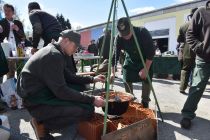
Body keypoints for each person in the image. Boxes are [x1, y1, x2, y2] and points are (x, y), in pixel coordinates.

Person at [17, 29, 105, 139]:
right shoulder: (53, 55)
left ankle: (47, 118)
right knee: (87, 110)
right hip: (36, 100)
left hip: (40, 91)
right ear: (66, 41)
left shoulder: (55, 51)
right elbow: (61, 91)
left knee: (79, 89)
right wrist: (92, 99)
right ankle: (42, 125)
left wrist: (93, 79)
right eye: (75, 46)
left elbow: (70, 77)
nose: (76, 50)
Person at [111, 17, 155, 108]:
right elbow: (115, 55)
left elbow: (151, 52)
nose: (126, 37)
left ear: (131, 27)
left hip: (145, 60)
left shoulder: (142, 32)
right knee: (126, 78)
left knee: (147, 79)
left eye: (127, 34)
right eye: (123, 35)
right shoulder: (119, 38)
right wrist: (112, 72)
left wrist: (146, 69)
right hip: (130, 59)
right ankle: (130, 98)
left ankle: (145, 101)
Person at [180, 1, 210, 129]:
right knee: (197, 86)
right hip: (204, 58)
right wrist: (201, 48)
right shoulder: (202, 12)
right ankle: (187, 114)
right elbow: (190, 34)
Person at [28, 2, 77, 73]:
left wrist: (34, 46)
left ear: (29, 9)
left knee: (49, 68)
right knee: (68, 69)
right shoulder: (45, 14)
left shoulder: (33, 13)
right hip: (63, 40)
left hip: (52, 40)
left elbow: (38, 29)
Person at [0, 3, 25, 79]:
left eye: (9, 10)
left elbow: (23, 37)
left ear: (13, 12)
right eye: (5, 11)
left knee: (21, 70)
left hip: (20, 48)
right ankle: (10, 89)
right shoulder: (2, 22)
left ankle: (20, 88)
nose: (6, 12)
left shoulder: (18, 23)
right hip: (9, 49)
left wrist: (17, 29)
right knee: (11, 71)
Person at [177, 8, 197, 94]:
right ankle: (195, 90)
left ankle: (182, 88)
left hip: (187, 51)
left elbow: (179, 40)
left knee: (185, 69)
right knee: (198, 71)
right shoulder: (204, 23)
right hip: (201, 51)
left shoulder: (183, 26)